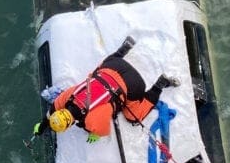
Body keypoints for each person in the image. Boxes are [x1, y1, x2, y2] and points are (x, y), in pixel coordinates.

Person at [34, 36, 178, 142]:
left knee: (133, 116)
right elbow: (54, 107)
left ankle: (159, 86)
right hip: (114, 66)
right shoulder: (69, 97)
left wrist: (93, 133)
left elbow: (103, 130)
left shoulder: (91, 121)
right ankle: (121, 52)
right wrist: (43, 125)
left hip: (133, 84)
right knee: (96, 74)